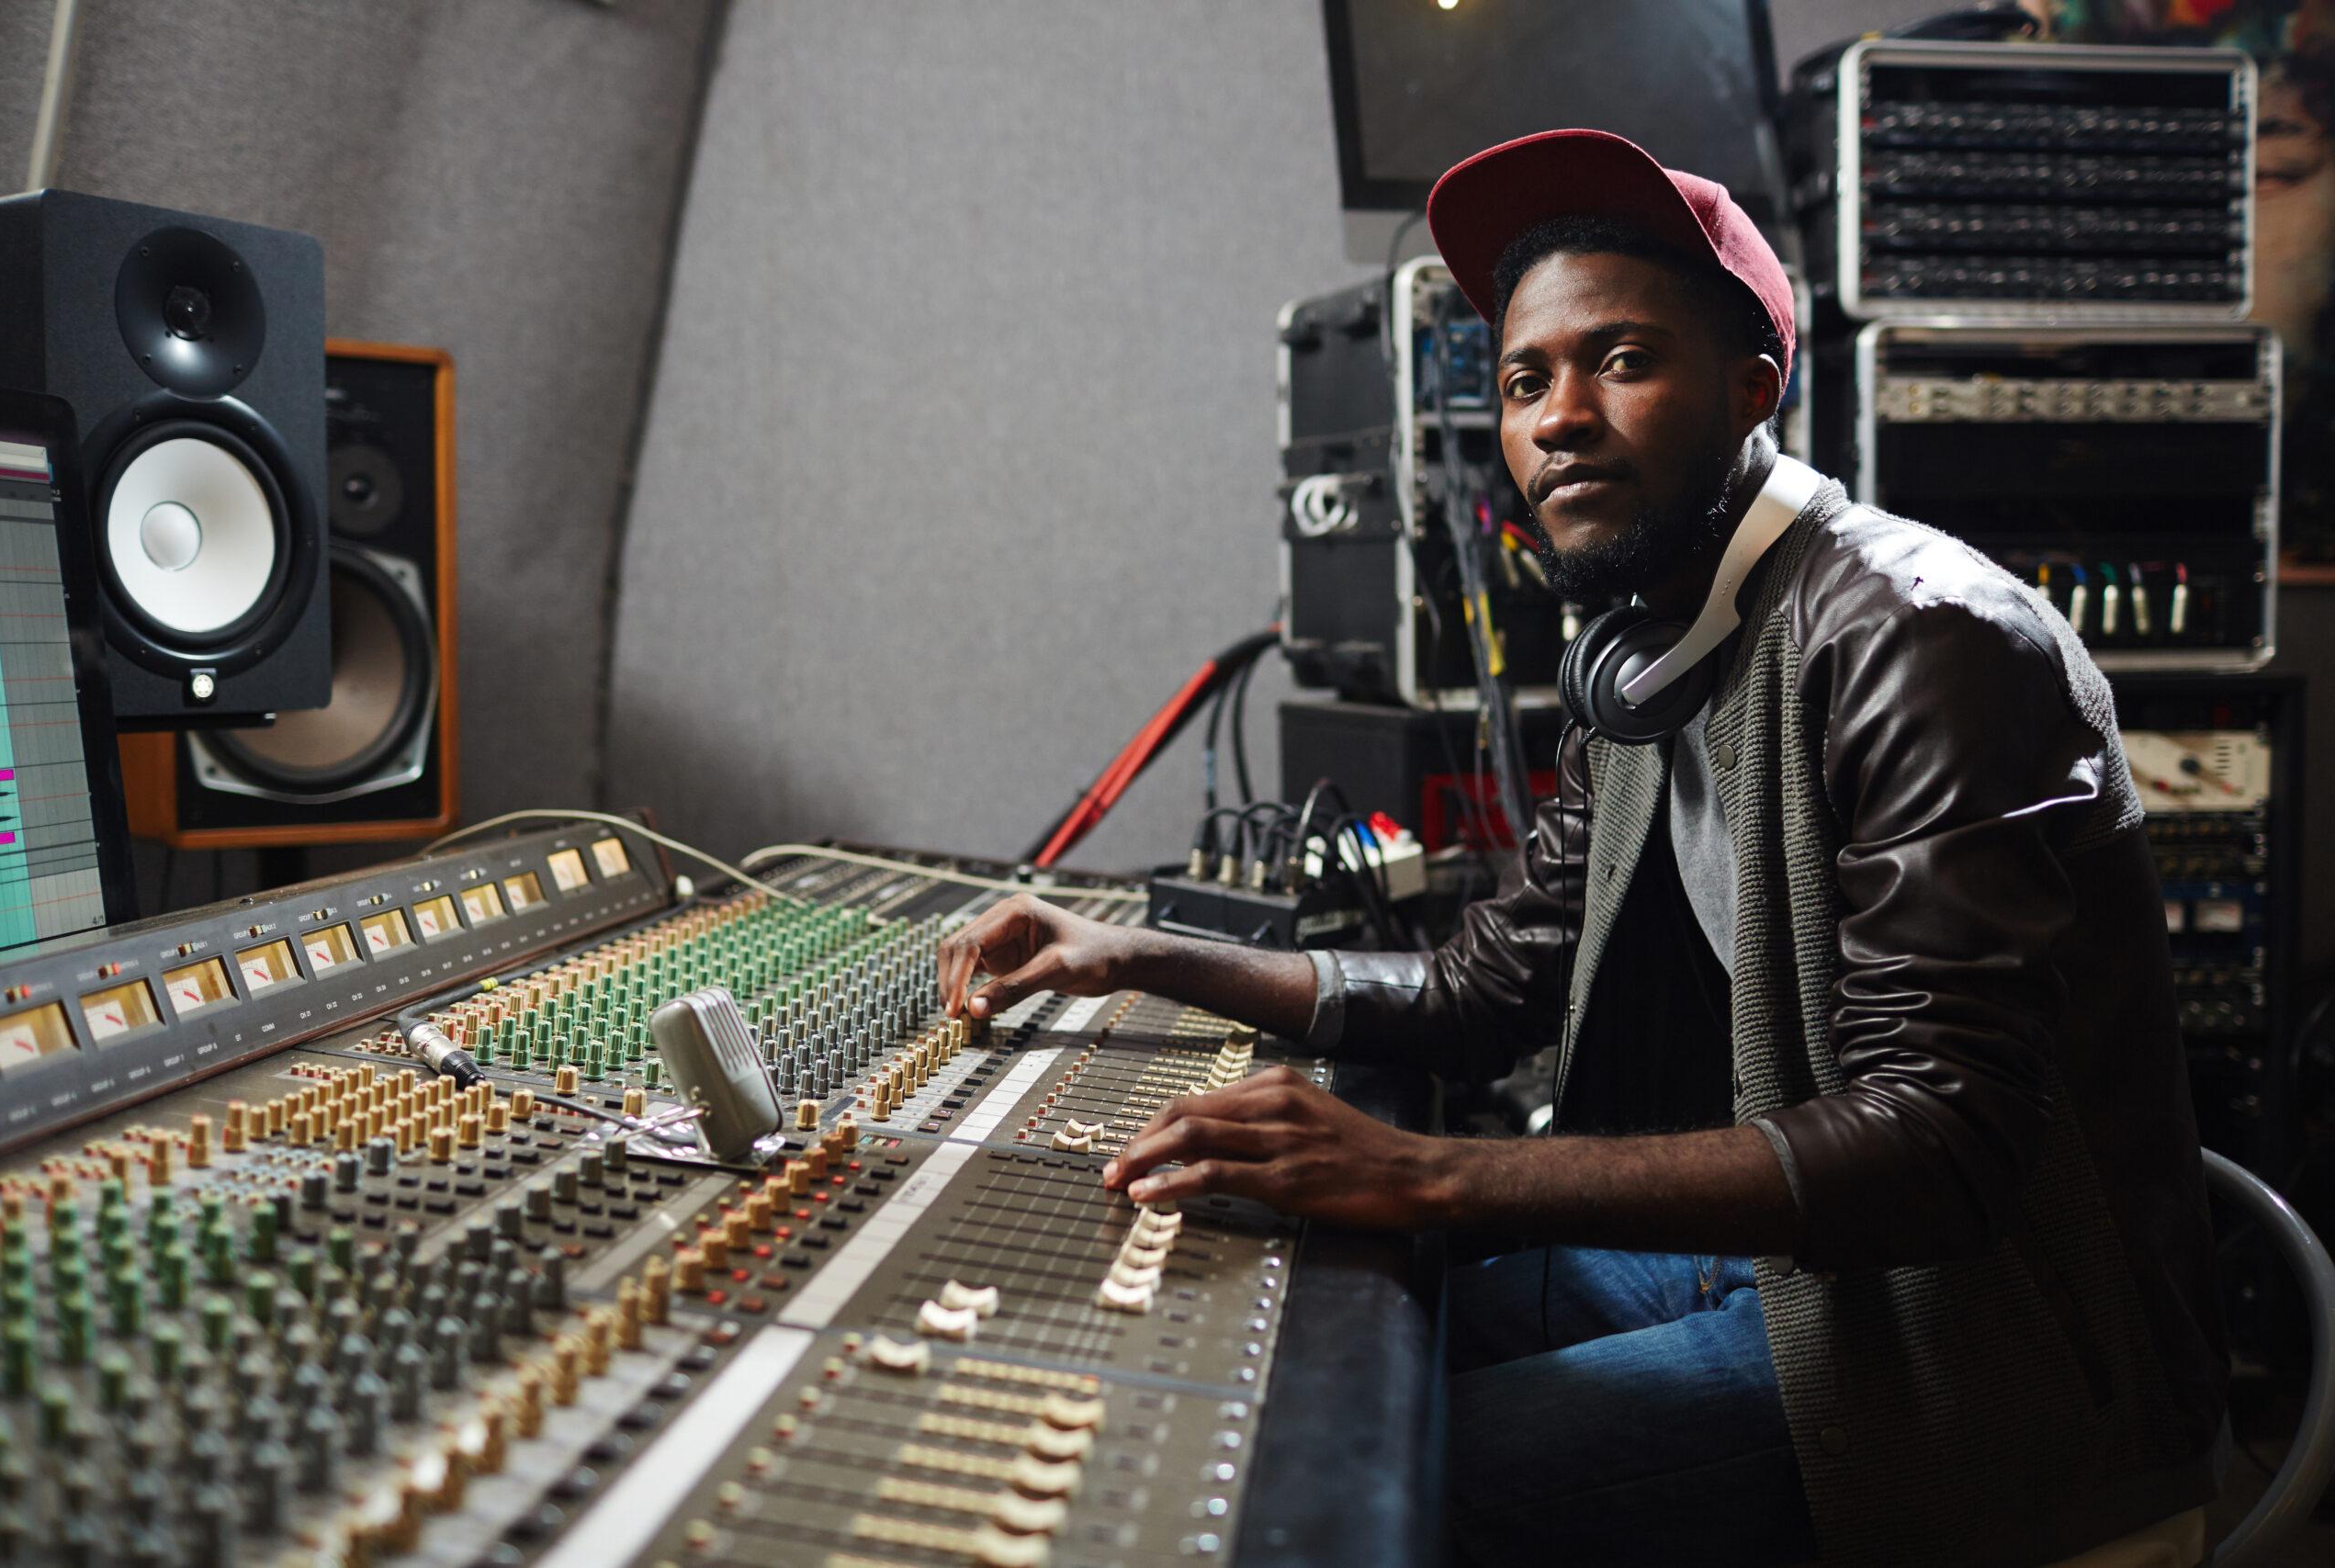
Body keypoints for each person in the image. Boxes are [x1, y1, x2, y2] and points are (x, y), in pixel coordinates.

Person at [937, 130, 2226, 1567]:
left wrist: (1427, 1173)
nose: (1559, 418)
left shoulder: (1920, 638)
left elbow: (1940, 1145)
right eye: (1523, 379)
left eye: (1621, 361)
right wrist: (1138, 955)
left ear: (1752, 388)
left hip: (1983, 1358)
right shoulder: (1643, 657)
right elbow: (1481, 991)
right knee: (1292, 1350)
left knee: (1328, 1500)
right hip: (1779, 1277)